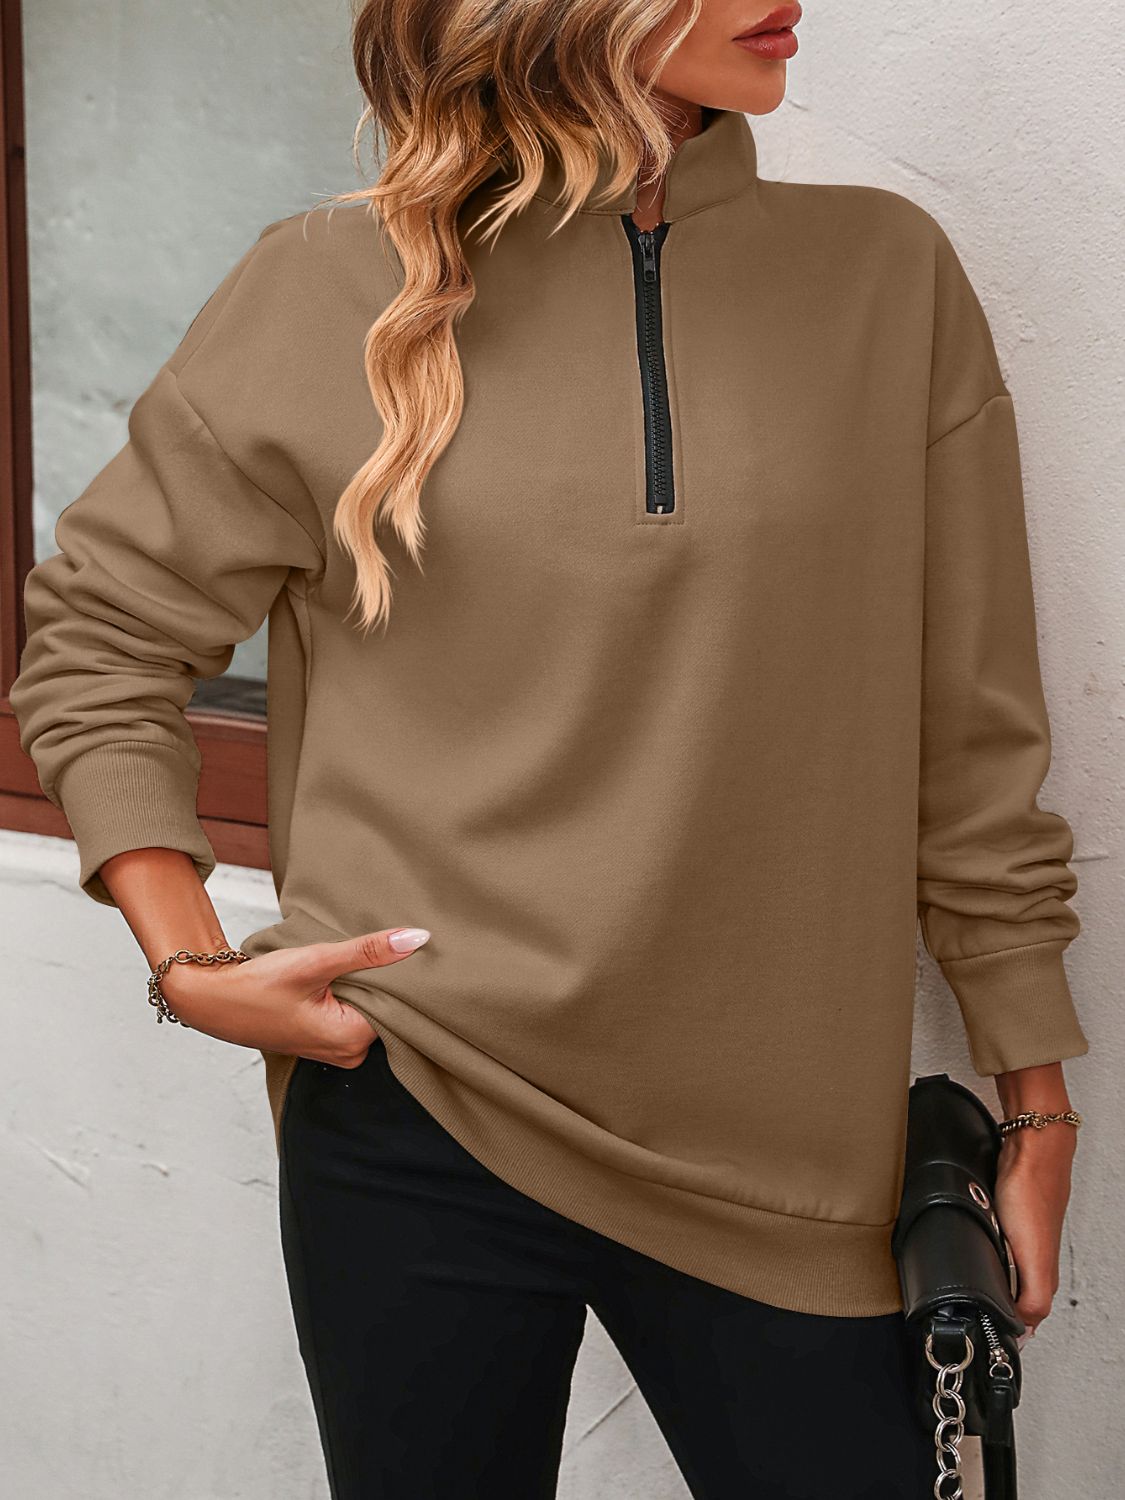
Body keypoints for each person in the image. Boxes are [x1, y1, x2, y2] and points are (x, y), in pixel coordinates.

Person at [11, 1, 1090, 1495]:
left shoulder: (884, 279)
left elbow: (970, 738)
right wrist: (188, 959)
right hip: (416, 1098)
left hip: (788, 1156)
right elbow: (100, 637)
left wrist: (1032, 1096)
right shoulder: (324, 289)